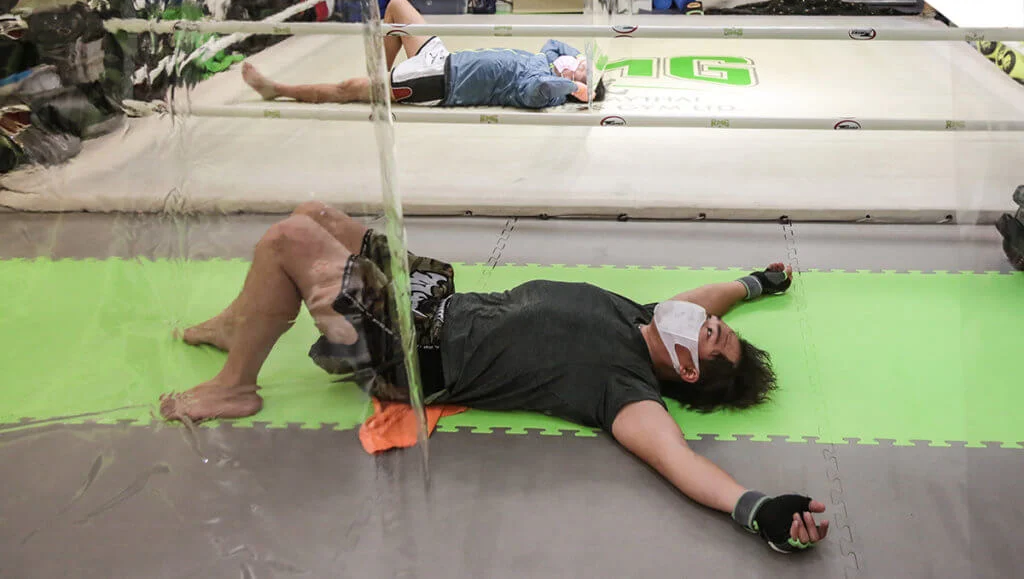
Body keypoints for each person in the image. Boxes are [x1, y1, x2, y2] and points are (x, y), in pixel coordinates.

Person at [162, 202, 830, 554]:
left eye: (711, 336)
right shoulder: (643, 317)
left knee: (288, 239)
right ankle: (241, 322)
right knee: (316, 216)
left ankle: (236, 385)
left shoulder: (627, 390)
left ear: (686, 366)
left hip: (410, 353)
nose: (703, 319)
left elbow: (680, 462)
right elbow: (711, 297)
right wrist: (757, 283)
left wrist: (758, 509)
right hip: (434, 294)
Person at [240, 0, 603, 110]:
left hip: (438, 83)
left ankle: (277, 89)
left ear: (578, 88)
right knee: (397, 6)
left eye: (585, 73)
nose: (582, 65)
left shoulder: (543, 88)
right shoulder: (547, 61)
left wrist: (574, 88)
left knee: (347, 89)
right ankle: (379, 78)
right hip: (442, 59)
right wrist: (577, 61)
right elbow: (555, 42)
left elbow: (540, 90)